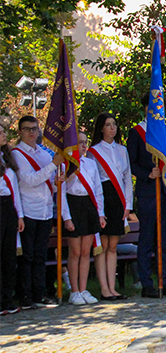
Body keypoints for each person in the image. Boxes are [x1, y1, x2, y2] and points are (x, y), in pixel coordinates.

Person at [127, 93, 166, 298]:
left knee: (163, 239)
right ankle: (146, 283)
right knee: (147, 238)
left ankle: (164, 281)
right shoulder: (136, 133)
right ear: (145, 109)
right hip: (147, 193)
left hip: (165, 192)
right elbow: (130, 163)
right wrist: (147, 174)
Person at [12, 115, 65, 308]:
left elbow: (50, 180)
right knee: (27, 256)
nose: (32, 132)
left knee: (41, 254)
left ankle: (39, 293)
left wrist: (58, 180)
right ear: (20, 132)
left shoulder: (43, 153)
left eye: (35, 129)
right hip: (28, 210)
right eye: (27, 129)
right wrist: (53, 164)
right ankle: (25, 295)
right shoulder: (17, 154)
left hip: (44, 210)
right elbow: (30, 180)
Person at [89, 113, 132, 300]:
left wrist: (128, 204)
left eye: (114, 124)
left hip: (119, 198)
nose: (112, 128)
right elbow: (93, 180)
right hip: (102, 196)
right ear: (101, 128)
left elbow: (128, 179)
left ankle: (113, 288)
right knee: (103, 244)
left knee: (113, 245)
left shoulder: (123, 150)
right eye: (108, 125)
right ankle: (104, 288)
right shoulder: (93, 151)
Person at [61, 131, 106, 304]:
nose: (84, 145)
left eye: (85, 142)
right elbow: (62, 192)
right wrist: (67, 217)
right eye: (80, 142)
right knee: (75, 252)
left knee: (86, 252)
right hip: (73, 205)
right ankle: (74, 291)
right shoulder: (65, 165)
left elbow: (98, 190)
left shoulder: (91, 164)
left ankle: (83, 288)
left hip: (88, 205)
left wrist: (100, 213)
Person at [0, 125, 24, 316]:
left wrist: (20, 215)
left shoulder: (7, 158)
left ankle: (7, 299)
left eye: (3, 132)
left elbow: (15, 188)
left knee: (8, 256)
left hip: (9, 206)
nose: (3, 135)